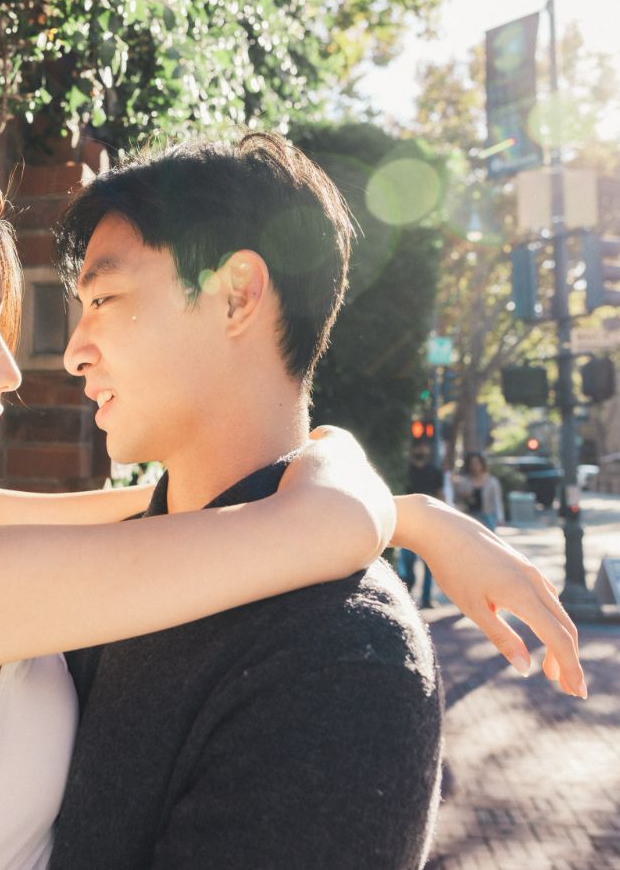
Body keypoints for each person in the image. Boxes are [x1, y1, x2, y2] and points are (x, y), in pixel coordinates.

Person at [0, 165, 582, 870]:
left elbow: (158, 511)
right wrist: (373, 488)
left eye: (104, 301)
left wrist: (414, 514)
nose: (24, 371)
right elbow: (322, 520)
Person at [48, 133, 581, 869]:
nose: (74, 350)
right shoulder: (87, 572)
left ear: (236, 294)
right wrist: (407, 512)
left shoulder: (347, 656)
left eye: (104, 297)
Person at [396, 437, 444, 608]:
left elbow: (440, 495)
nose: (420, 451)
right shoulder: (404, 471)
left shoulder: (435, 471)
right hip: (407, 523)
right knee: (407, 563)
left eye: (423, 447)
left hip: (429, 524)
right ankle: (407, 594)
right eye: (417, 447)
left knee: (429, 563)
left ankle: (426, 597)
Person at [455, 451, 505, 531]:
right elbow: (458, 498)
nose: (474, 466)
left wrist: (500, 517)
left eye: (477, 463)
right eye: (471, 464)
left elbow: (497, 500)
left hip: (488, 516)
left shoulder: (492, 481)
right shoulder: (464, 481)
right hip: (470, 516)